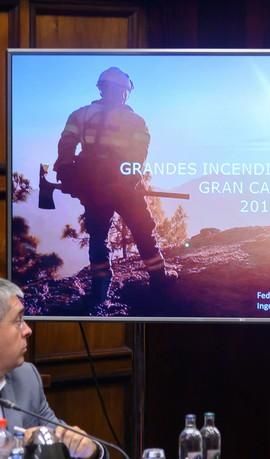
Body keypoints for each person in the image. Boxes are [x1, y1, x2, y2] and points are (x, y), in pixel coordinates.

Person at [53, 67, 176, 304]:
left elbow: (66, 143)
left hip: (93, 185)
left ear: (101, 87)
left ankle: (100, 290)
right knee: (143, 229)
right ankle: (159, 279)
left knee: (98, 235)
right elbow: (139, 155)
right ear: (123, 92)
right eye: (122, 91)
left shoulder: (81, 114)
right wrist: (129, 180)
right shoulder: (135, 120)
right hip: (122, 187)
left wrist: (69, 171)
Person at [0, 279, 100, 458]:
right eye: (18, 320)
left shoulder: (26, 377)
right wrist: (18, 443)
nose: (28, 330)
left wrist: (89, 449)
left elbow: (59, 436)